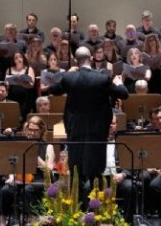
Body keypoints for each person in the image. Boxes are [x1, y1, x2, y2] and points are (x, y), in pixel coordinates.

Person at [47, 47, 129, 194]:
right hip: (97, 132)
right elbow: (123, 94)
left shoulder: (68, 78)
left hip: (75, 131)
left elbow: (52, 89)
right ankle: (96, 211)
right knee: (96, 174)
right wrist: (118, 82)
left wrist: (68, 74)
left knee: (75, 172)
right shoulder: (102, 78)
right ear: (91, 58)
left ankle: (75, 210)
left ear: (76, 61)